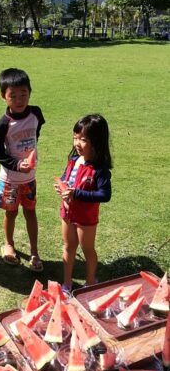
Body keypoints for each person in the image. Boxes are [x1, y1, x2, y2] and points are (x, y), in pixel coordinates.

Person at [0, 68, 45, 271]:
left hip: (30, 179)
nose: (19, 99)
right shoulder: (3, 124)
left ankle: (34, 252)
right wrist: (16, 164)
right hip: (10, 180)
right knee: (11, 214)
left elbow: (35, 134)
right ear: (3, 97)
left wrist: (30, 157)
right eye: (13, 96)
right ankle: (9, 245)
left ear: (30, 92)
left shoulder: (36, 113)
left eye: (23, 94)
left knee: (31, 213)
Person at [55, 114, 112, 293]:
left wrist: (77, 193)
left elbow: (105, 194)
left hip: (86, 218)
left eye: (83, 139)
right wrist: (62, 186)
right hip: (67, 213)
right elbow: (66, 177)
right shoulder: (73, 161)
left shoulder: (99, 169)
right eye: (75, 138)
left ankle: (90, 282)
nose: (77, 143)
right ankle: (67, 283)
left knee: (87, 249)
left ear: (96, 142)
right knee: (68, 246)